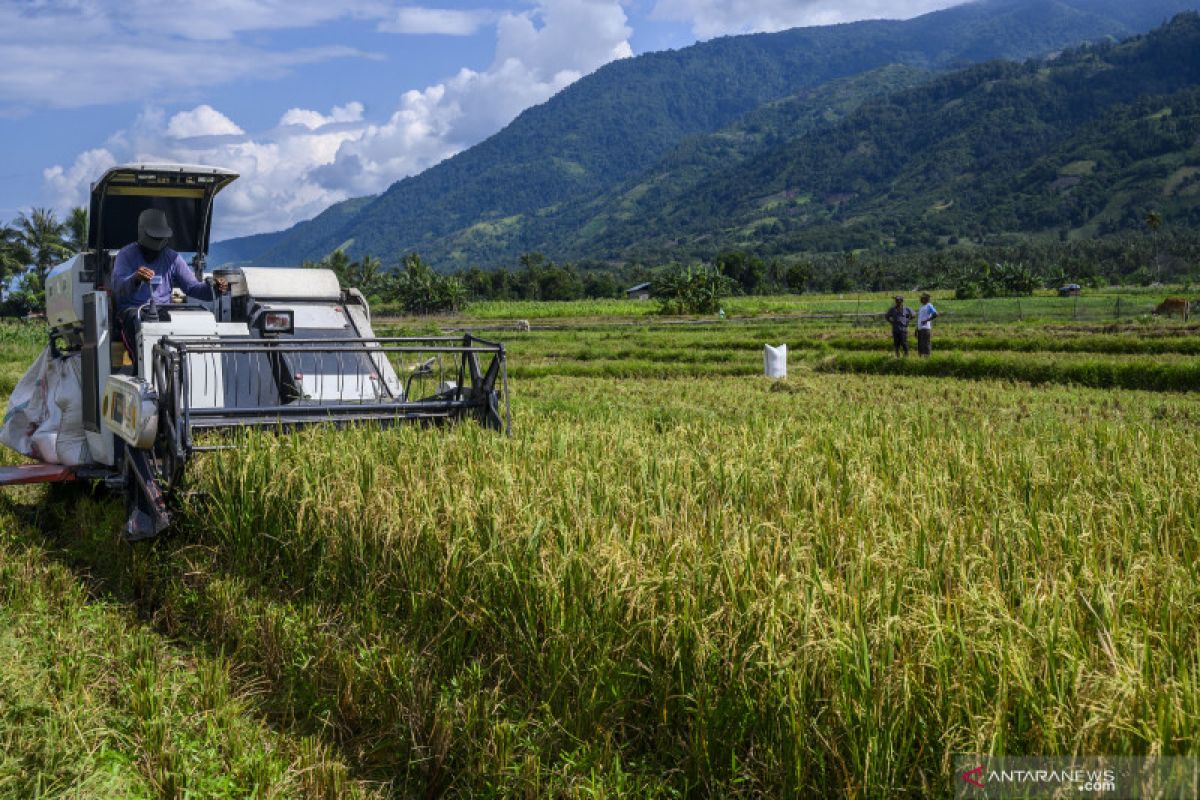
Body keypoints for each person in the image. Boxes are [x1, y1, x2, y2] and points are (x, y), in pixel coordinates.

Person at [111, 209, 227, 364]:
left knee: (174, 324)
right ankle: (141, 367)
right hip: (133, 312)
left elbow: (192, 288)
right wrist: (136, 279)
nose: (157, 245)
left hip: (162, 312)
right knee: (138, 322)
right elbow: (118, 287)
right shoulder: (126, 255)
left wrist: (213, 288)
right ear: (142, 233)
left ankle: (173, 371)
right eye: (154, 237)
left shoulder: (172, 258)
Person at [917, 292, 938, 357]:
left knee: (926, 343)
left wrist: (926, 320)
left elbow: (936, 314)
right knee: (920, 344)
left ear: (926, 299)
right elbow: (920, 318)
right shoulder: (922, 306)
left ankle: (927, 357)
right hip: (920, 328)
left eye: (922, 298)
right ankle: (921, 357)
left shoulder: (929, 305)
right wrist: (916, 328)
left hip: (925, 328)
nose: (921, 299)